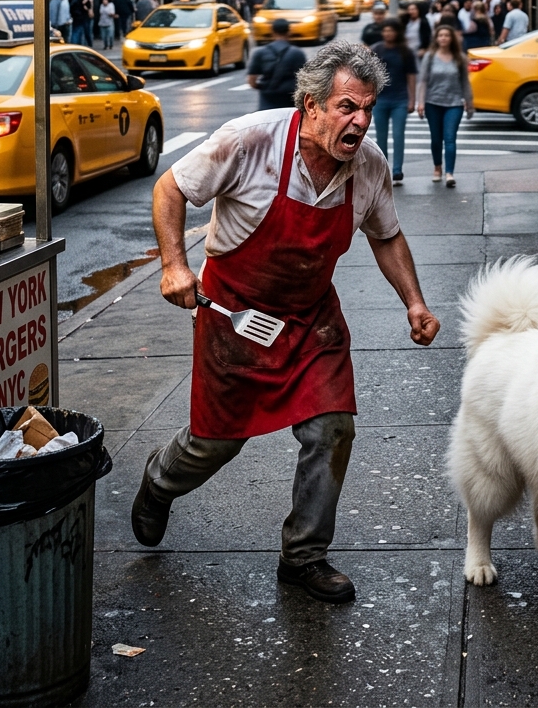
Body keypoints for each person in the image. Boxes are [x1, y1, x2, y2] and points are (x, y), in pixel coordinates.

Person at [132, 41, 440, 603]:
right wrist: (175, 266)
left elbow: (387, 235)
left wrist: (414, 303)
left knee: (332, 428)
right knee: (215, 444)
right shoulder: (250, 140)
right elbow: (170, 188)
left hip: (310, 318)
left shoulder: (367, 166)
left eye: (368, 108)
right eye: (348, 107)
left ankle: (304, 555)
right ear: (311, 105)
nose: (361, 122)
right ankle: (159, 482)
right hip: (234, 315)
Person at [417, 23, 474, 188]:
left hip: (454, 103)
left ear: (452, 39)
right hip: (432, 102)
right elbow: (423, 80)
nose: (443, 38)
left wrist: (469, 103)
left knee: (450, 138)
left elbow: (465, 81)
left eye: (447, 35)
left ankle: (450, 173)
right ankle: (437, 168)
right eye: (440, 35)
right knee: (436, 139)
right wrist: (421, 102)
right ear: (436, 38)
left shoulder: (460, 58)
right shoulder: (430, 56)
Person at [370, 18, 417, 184]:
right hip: (380, 100)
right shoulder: (376, 49)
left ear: (397, 32)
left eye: (391, 30)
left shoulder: (405, 51)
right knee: (380, 137)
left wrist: (413, 99)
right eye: (385, 30)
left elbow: (411, 76)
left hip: (400, 99)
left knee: (398, 135)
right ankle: (383, 171)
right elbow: (369, 76)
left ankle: (397, 170)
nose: (387, 33)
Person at [246, 20, 308, 110]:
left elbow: (252, 80)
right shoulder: (297, 53)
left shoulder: (260, 53)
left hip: (267, 99)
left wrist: (262, 87)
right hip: (290, 99)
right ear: (289, 32)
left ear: (272, 32)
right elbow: (305, 80)